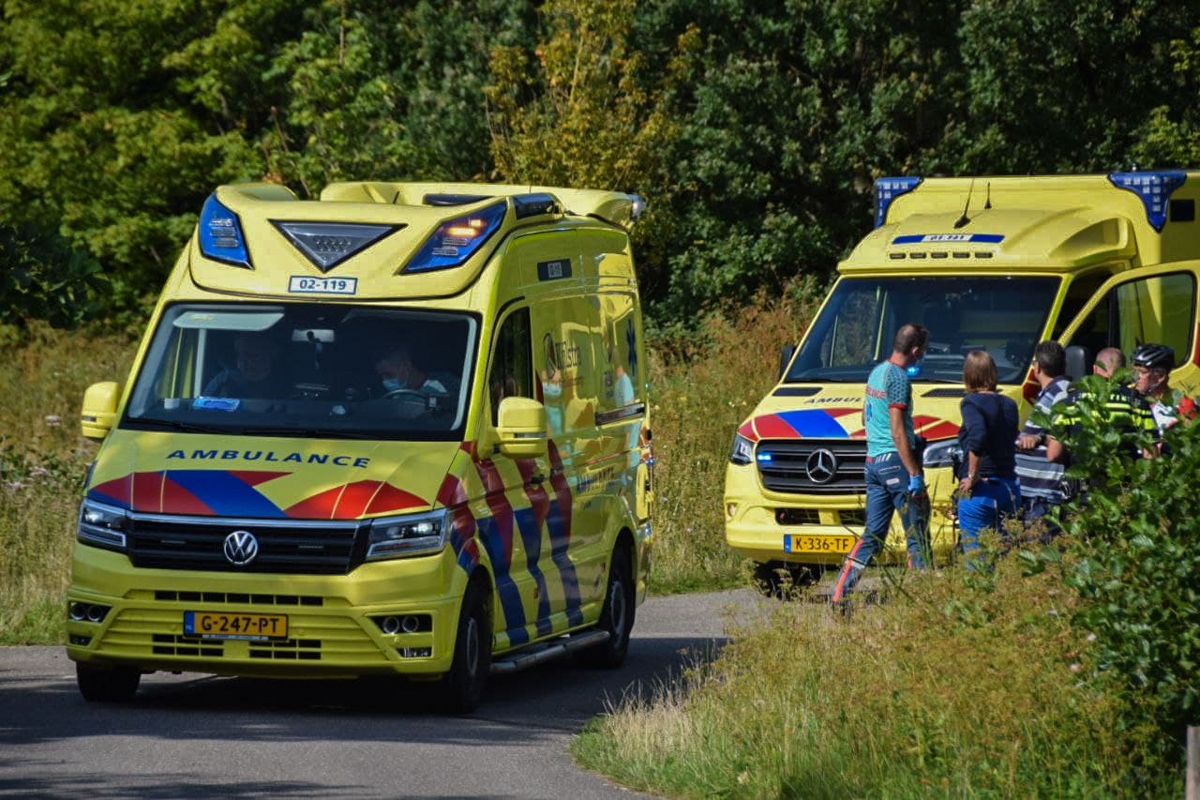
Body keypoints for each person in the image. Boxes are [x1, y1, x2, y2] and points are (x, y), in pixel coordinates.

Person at [831, 323, 931, 604]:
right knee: (916, 533)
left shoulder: (876, 372)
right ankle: (924, 602)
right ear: (914, 350)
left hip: (873, 462)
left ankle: (840, 592)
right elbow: (898, 431)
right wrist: (914, 473)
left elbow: (866, 418)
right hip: (895, 463)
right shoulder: (899, 378)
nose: (922, 356)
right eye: (922, 351)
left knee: (872, 534)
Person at [955, 350, 1021, 563]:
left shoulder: (971, 402)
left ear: (969, 375)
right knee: (1007, 560)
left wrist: (973, 474)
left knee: (977, 563)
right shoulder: (1010, 404)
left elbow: (978, 436)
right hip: (1009, 486)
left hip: (982, 487)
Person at [1015, 341, 1072, 540]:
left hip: (1042, 495)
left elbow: (1058, 443)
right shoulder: (1053, 392)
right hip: (1036, 493)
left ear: (1037, 367)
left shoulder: (1060, 395)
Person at [1131, 343, 1197, 434]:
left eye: (1142, 372)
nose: (1136, 377)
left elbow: (1192, 440)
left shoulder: (1183, 405)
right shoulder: (1127, 397)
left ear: (1160, 376)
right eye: (1134, 371)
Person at [203, 332, 286, 398]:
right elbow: (204, 412)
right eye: (244, 355)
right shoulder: (222, 381)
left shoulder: (286, 383)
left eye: (255, 356)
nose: (249, 362)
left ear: (269, 356)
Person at [374, 347, 457, 398]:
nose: (384, 380)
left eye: (388, 374)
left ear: (406, 366)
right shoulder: (394, 395)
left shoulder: (438, 388)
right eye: (381, 376)